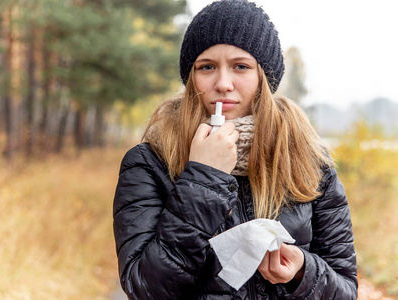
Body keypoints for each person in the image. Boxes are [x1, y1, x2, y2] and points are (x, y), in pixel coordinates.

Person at [113, 0, 358, 299]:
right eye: (207, 67)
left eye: (240, 66)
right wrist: (203, 178)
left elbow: (346, 290)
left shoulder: (309, 162)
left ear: (263, 78)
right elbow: (145, 288)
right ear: (191, 77)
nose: (223, 83)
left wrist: (303, 272)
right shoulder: (149, 163)